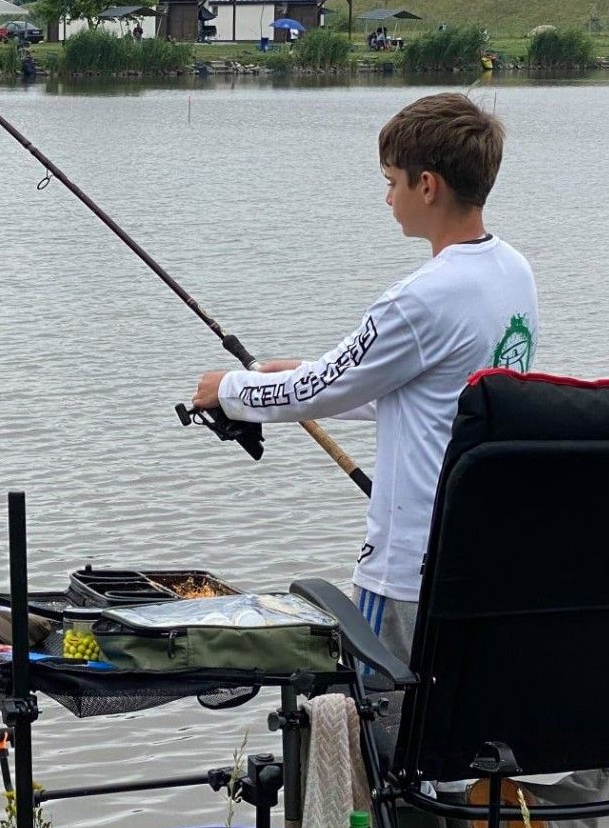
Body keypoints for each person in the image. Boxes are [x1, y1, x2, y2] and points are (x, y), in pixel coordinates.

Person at [190, 91, 537, 658]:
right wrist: (300, 369)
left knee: (381, 724)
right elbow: (424, 389)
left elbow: (323, 390)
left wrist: (227, 390)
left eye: (392, 181)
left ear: (428, 186)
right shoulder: (513, 273)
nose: (386, 197)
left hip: (405, 568)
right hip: (479, 549)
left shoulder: (418, 299)